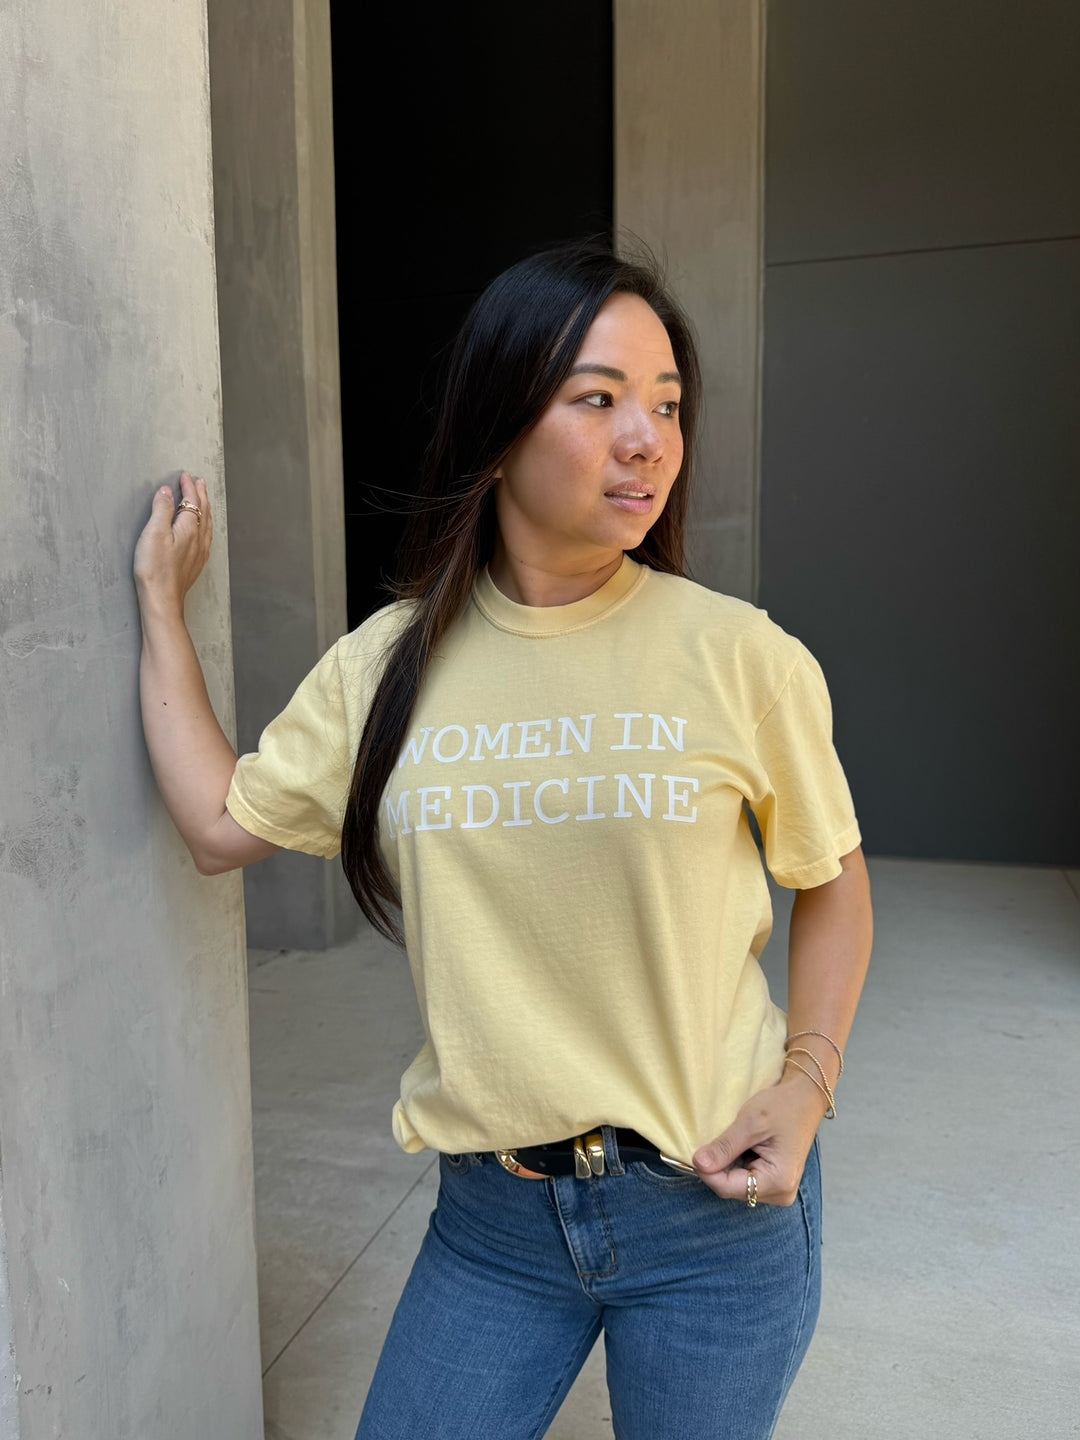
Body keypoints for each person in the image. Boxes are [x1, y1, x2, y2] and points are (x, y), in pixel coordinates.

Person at [134, 239, 873, 1440]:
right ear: (499, 420)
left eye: (668, 405)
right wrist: (160, 610)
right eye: (599, 399)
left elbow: (831, 877)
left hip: (710, 1213)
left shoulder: (741, 656)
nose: (648, 439)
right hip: (493, 1226)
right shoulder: (389, 666)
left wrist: (808, 1081)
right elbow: (222, 826)